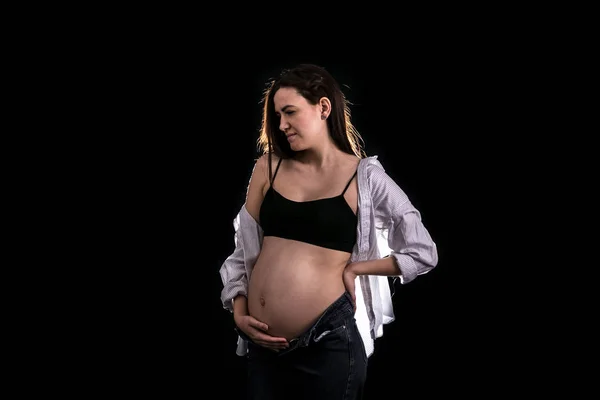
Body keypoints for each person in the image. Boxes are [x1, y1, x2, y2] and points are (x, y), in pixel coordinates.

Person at [219, 63, 438, 399]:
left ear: (323, 107)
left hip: (328, 345)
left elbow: (422, 252)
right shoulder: (268, 167)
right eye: (277, 115)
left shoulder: (364, 177)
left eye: (290, 112)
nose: (281, 125)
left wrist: (356, 268)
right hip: (263, 349)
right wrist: (239, 311)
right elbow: (242, 250)